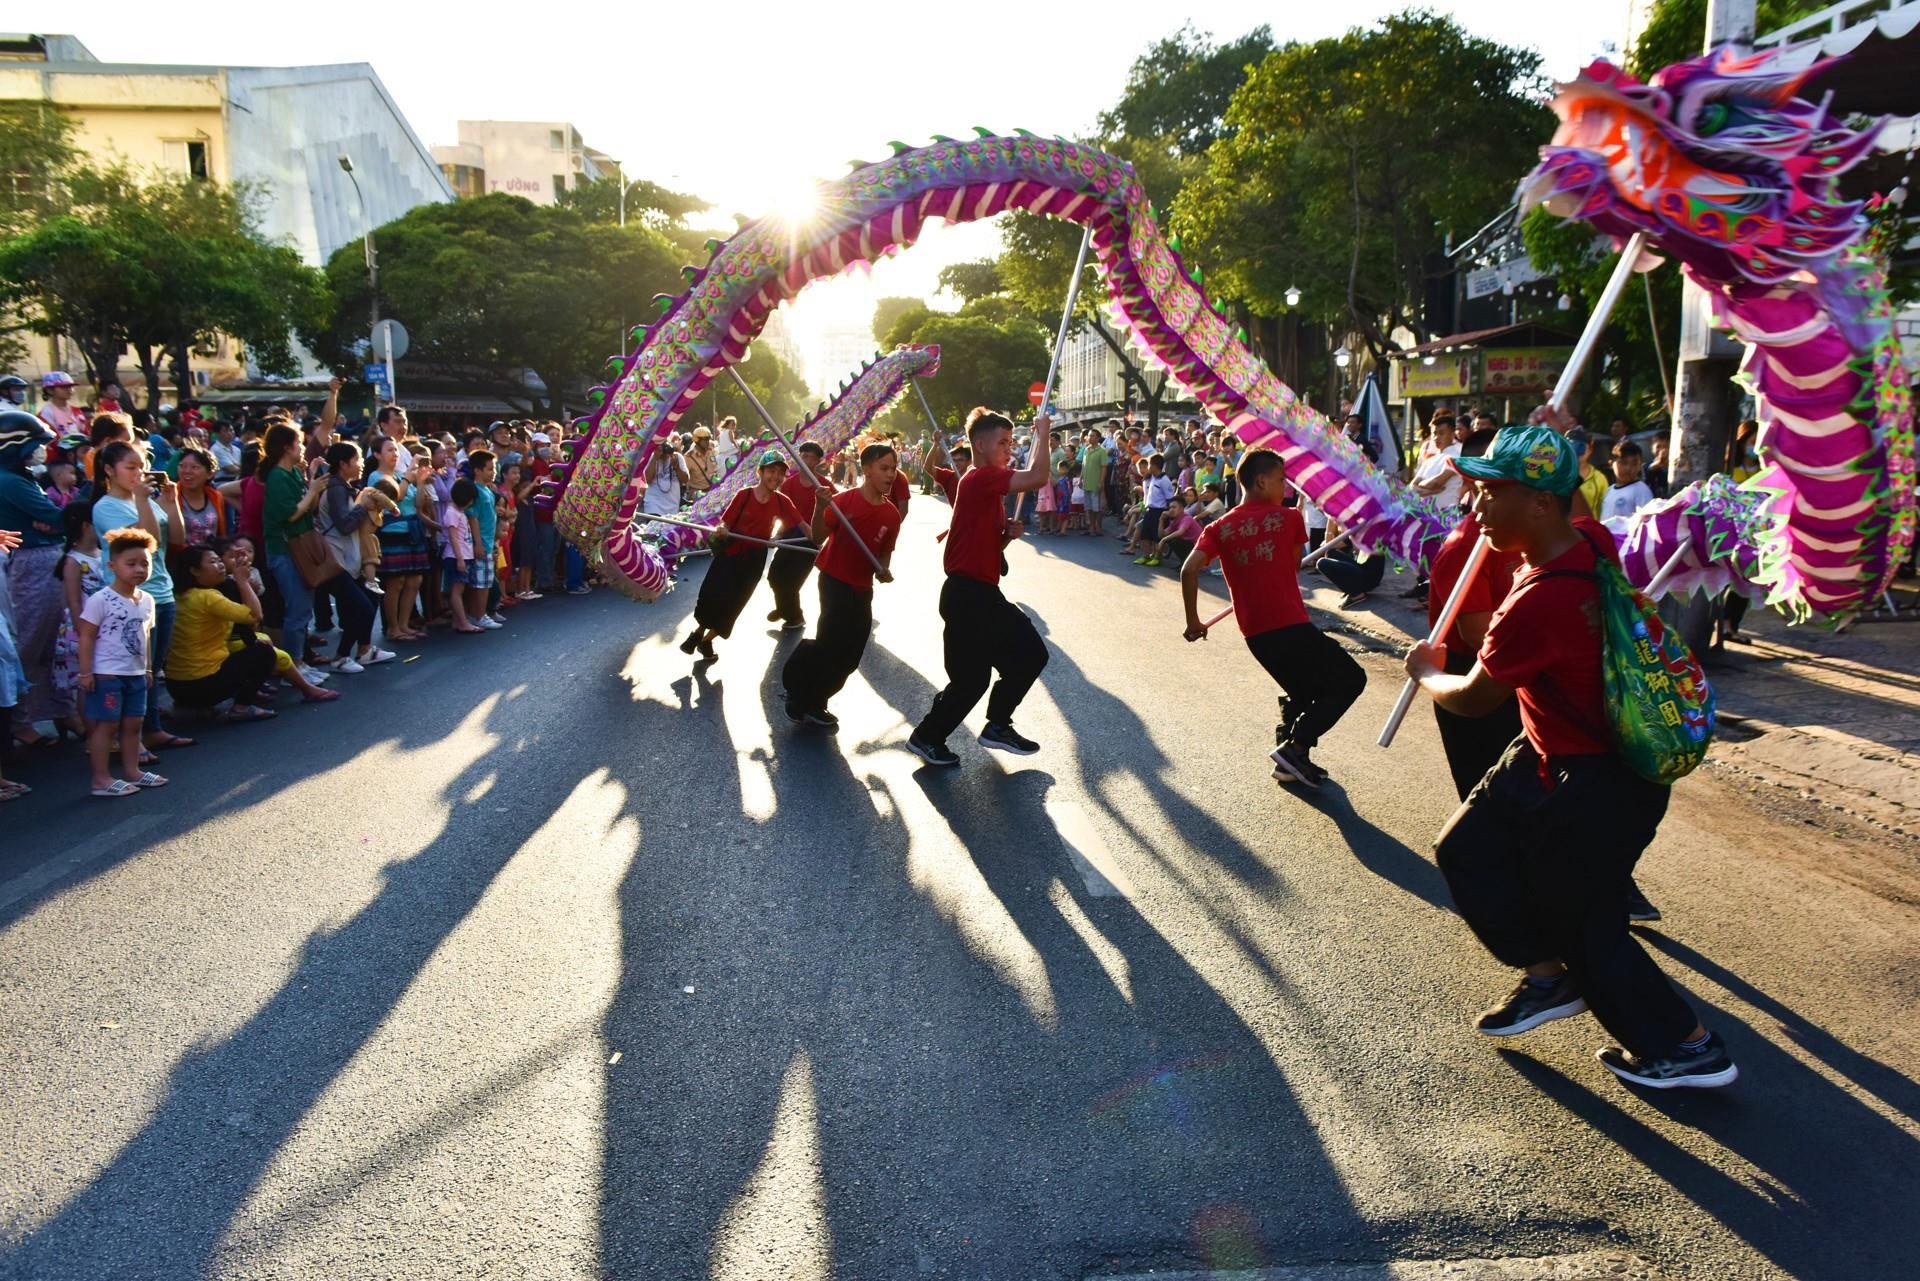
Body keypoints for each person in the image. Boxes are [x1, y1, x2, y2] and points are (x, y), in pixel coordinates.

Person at [1404, 425, 1736, 1089]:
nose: (1476, 505)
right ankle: (1546, 975)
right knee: (1467, 847)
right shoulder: (1591, 542)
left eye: (1493, 491)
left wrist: (1424, 672)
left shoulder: (1536, 602)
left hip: (1598, 782)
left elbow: (1471, 699)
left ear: (1540, 505)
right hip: (1546, 754)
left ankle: (1689, 1046)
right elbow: (1570, 507)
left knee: (1588, 925)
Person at [1180, 447, 1366, 787]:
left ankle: (1289, 763)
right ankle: (1295, 748)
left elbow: (1189, 570)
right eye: (1281, 480)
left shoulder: (1219, 527)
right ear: (1262, 481)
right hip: (1291, 625)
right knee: (1351, 679)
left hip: (1256, 634)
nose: (1286, 487)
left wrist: (1194, 622)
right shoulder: (1291, 518)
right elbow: (1293, 566)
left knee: (1304, 690)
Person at [907, 407, 1052, 767]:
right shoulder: (981, 477)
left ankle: (929, 736)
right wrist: (1044, 433)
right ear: (980, 444)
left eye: (1012, 442)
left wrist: (1005, 538)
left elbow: (983, 548)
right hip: (970, 595)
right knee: (1028, 654)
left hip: (972, 593)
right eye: (1003, 442)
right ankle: (996, 726)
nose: (1009, 449)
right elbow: (1038, 477)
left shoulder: (983, 485)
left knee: (972, 680)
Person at [781, 441, 902, 727]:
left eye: (894, 469)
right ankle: (799, 693)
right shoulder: (844, 500)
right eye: (884, 468)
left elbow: (884, 555)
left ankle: (816, 699)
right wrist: (820, 505)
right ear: (867, 469)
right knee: (829, 642)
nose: (890, 474)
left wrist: (884, 571)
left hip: (862, 588)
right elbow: (818, 537)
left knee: (851, 653)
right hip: (834, 580)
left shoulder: (891, 515)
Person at [92, 439, 193, 752]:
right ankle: (130, 739)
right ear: (109, 470)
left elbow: (177, 538)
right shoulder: (106, 507)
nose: (139, 473)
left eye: (142, 466)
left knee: (152, 667)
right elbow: (147, 541)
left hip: (161, 592)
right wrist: (142, 500)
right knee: (135, 670)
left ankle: (151, 729)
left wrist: (171, 500)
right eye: (131, 467)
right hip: (128, 599)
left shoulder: (146, 500)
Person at [0, 411, 78, 749]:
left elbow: (57, 521)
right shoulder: (10, 481)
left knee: (51, 645)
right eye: (33, 446)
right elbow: (58, 518)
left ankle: (58, 711)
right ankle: (21, 722)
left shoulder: (21, 478)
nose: (40, 453)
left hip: (44, 563)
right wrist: (59, 521)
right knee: (29, 645)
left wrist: (57, 522)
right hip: (30, 566)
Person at [679, 451, 803, 661]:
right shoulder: (744, 495)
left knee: (735, 603)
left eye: (781, 473)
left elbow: (801, 525)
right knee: (714, 596)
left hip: (755, 558)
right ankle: (697, 634)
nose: (776, 476)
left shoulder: (782, 501)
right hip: (731, 552)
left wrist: (819, 541)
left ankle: (707, 641)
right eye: (771, 471)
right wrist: (722, 528)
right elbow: (725, 522)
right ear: (760, 472)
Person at [78, 526, 165, 797]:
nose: (139, 569)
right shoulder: (100, 599)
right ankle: (101, 779)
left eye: (144, 563)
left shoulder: (147, 600)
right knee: (107, 726)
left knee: (133, 724)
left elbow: (146, 637)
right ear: (112, 566)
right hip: (107, 674)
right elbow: (86, 636)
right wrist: (86, 673)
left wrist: (148, 667)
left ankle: (133, 771)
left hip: (136, 673)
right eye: (131, 564)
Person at [164, 544, 279, 721]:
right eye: (213, 562)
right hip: (203, 685)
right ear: (194, 571)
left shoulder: (179, 594)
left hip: (175, 687)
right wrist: (243, 581)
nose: (221, 565)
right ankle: (241, 708)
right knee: (263, 652)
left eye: (219, 560)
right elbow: (255, 616)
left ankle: (190, 707)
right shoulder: (207, 597)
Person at [260, 422, 334, 683]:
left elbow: (307, 507)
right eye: (299, 443)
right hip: (285, 550)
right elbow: (290, 514)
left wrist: (312, 482)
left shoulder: (291, 472)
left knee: (303, 609)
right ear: (286, 447)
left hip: (298, 548)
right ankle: (294, 666)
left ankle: (299, 662)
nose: (302, 448)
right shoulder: (277, 476)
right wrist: (312, 489)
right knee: (296, 610)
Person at [314, 441, 392, 669]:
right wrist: (362, 507)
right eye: (356, 460)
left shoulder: (345, 487)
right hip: (335, 561)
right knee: (362, 606)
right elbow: (344, 525)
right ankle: (340, 657)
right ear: (342, 464)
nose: (359, 465)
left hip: (349, 560)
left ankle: (365, 650)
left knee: (370, 599)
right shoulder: (336, 489)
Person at [766, 442, 833, 632]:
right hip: (789, 537)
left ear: (818, 461)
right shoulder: (789, 484)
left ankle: (794, 616)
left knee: (791, 582)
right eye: (804, 455)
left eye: (812, 457)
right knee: (774, 576)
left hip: (810, 540)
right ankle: (785, 608)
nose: (807, 460)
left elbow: (837, 509)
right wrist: (775, 533)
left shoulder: (824, 486)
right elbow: (777, 511)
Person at [440, 477, 485, 634]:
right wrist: (459, 559)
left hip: (465, 555)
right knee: (456, 590)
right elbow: (452, 537)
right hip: (456, 556)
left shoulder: (459, 512)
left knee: (460, 589)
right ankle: (463, 622)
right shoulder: (452, 513)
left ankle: (457, 621)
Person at [1132, 454, 1177, 566]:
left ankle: (1157, 557)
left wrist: (1167, 514)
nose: (1148, 467)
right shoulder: (1151, 478)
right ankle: (1146, 556)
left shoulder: (1164, 480)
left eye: (1150, 465)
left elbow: (1169, 499)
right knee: (1145, 535)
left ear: (1155, 466)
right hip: (1149, 510)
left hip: (1159, 511)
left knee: (1156, 537)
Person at [1599, 441, 1655, 530]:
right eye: (1623, 463)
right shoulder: (1609, 490)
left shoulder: (1641, 490)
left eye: (1634, 464)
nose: (1629, 468)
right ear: (1611, 463)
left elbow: (1648, 523)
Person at [642, 438, 687, 517]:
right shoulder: (650, 456)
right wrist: (655, 458)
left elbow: (685, 480)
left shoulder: (677, 457)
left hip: (672, 505)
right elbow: (647, 480)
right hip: (653, 504)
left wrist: (676, 467)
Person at [1080, 428, 1109, 536]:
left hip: (1095, 483)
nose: (1090, 437)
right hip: (1087, 483)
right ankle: (1092, 527)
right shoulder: (1086, 449)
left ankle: (1097, 526)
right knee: (1088, 507)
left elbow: (1104, 468)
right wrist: (1081, 478)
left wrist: (1101, 482)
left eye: (1092, 436)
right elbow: (1084, 465)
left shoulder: (1102, 451)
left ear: (1097, 438)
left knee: (1096, 508)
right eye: (1089, 435)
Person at [37, 372, 84, 439]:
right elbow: (50, 438)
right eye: (63, 387)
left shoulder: (77, 411)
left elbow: (86, 433)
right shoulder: (46, 413)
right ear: (49, 390)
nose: (69, 390)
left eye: (70, 387)